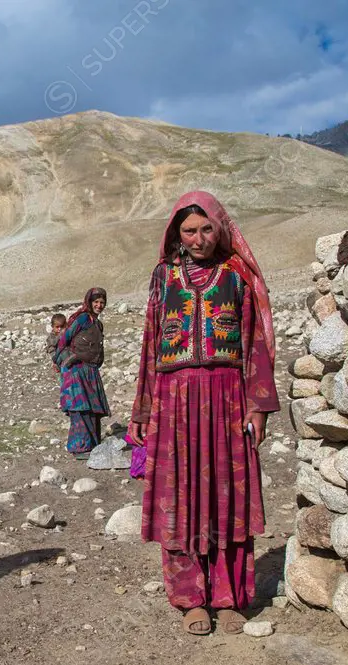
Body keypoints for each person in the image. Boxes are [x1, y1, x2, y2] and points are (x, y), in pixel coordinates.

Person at [129, 191, 278, 636]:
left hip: (228, 397)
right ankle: (190, 596)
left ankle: (229, 594)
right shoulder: (164, 278)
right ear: (177, 233)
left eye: (206, 228)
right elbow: (152, 345)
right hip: (174, 399)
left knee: (225, 496)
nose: (199, 238)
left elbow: (253, 343)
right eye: (189, 230)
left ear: (220, 228)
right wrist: (143, 408)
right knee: (181, 497)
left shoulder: (236, 277)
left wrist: (259, 405)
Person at [55, 288, 110, 459]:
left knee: (93, 408)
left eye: (102, 302)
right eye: (96, 302)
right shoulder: (82, 319)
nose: (99, 305)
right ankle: (80, 447)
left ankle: (92, 445)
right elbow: (64, 340)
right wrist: (64, 361)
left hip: (90, 371)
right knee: (80, 407)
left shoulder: (97, 323)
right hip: (76, 370)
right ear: (89, 302)